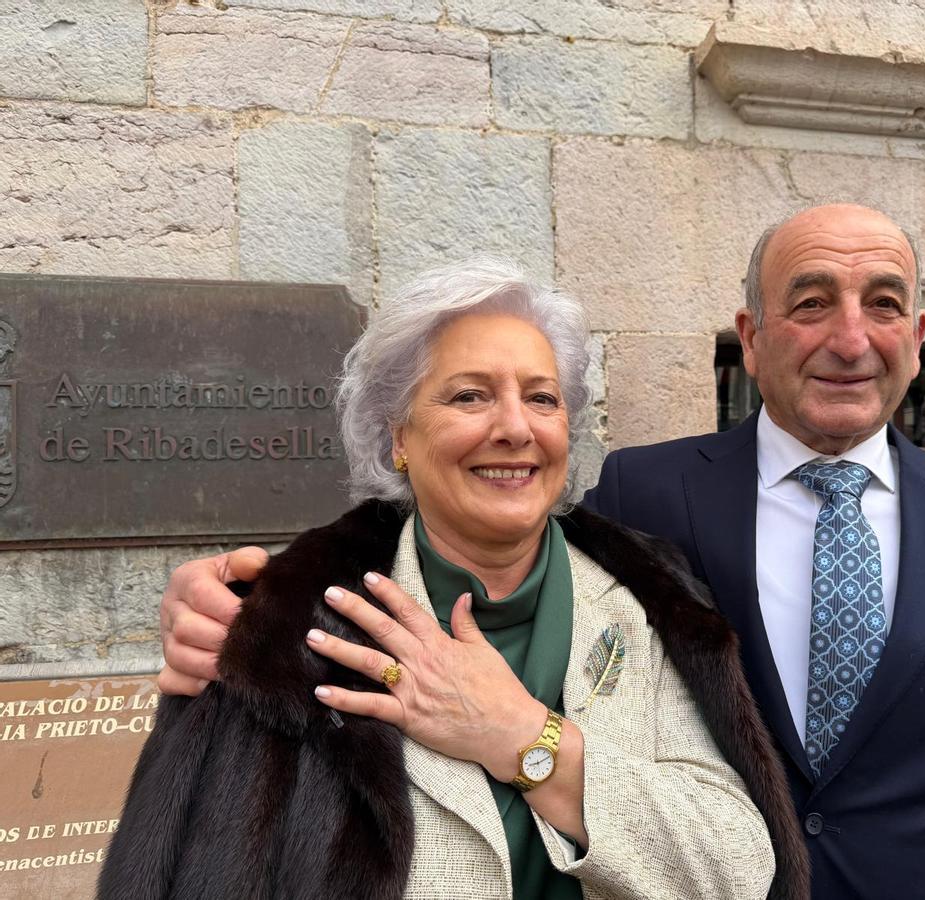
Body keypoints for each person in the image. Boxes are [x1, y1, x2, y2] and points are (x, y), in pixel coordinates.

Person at [156, 205, 925, 897]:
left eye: (883, 304)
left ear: (920, 336)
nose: (850, 337)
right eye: (810, 302)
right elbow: (480, 531)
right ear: (752, 336)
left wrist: (519, 741)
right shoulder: (648, 503)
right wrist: (241, 602)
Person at [102, 258, 807, 900]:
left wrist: (525, 738)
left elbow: (738, 867)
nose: (514, 428)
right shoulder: (286, 626)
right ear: (397, 437)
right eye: (469, 397)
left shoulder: (654, 604)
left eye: (542, 398)